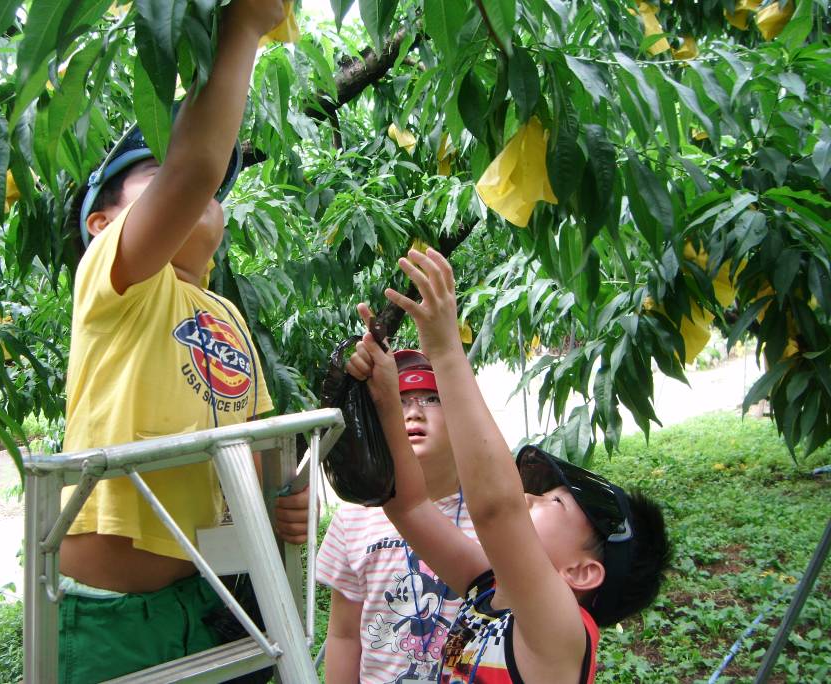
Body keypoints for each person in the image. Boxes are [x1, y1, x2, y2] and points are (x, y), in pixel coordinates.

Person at [57, 2, 308, 682]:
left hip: (209, 594)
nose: (199, 184)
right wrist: (246, 25)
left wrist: (285, 498)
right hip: (112, 617)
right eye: (158, 172)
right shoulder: (117, 279)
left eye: (216, 185)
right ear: (103, 221)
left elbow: (255, 441)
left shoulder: (224, 312)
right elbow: (196, 166)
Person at [346, 248, 671, 683]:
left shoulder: (561, 635)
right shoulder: (488, 589)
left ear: (581, 572)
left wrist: (445, 352)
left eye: (547, 503)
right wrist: (386, 399)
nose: (523, 497)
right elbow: (408, 508)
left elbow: (497, 510)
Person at [316, 350, 479, 683]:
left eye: (432, 398)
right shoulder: (353, 521)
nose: (415, 413)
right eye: (400, 401)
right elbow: (344, 636)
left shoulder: (492, 516)